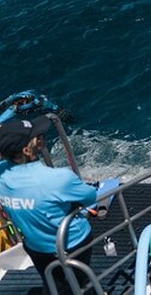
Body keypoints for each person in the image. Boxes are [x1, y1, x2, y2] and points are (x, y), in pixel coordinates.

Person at [0, 115, 98, 293]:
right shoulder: (59, 177)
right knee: (79, 283)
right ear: (27, 150)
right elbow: (90, 197)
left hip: (35, 246)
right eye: (37, 137)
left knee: (53, 280)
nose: (41, 136)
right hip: (72, 242)